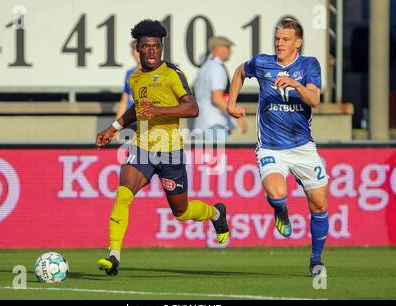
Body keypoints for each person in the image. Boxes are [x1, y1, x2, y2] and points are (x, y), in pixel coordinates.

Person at [95, 19, 230, 276]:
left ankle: (215, 213)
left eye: (157, 46)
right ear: (138, 48)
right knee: (124, 193)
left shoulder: (172, 74)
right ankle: (113, 256)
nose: (152, 51)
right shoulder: (135, 78)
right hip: (142, 146)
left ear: (162, 47)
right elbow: (137, 108)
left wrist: (159, 110)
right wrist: (113, 127)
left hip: (170, 151)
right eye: (147, 46)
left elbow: (192, 108)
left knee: (181, 212)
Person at [227, 18, 329, 276]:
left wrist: (295, 84)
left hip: (303, 147)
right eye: (277, 39)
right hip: (271, 147)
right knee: (276, 194)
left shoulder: (308, 65)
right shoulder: (263, 63)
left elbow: (315, 99)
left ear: (298, 42)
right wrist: (231, 103)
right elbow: (240, 71)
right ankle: (281, 211)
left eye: (285, 39)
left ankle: (316, 260)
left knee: (319, 205)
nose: (279, 43)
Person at [193, 36, 247, 141]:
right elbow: (217, 98)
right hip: (215, 126)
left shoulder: (203, 69)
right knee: (226, 157)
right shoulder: (216, 68)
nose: (231, 51)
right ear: (217, 49)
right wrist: (236, 117)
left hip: (202, 125)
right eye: (227, 47)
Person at [114, 40, 141, 141]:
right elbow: (124, 101)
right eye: (134, 50)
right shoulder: (129, 73)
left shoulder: (153, 73)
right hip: (129, 121)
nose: (135, 53)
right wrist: (116, 128)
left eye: (138, 50)